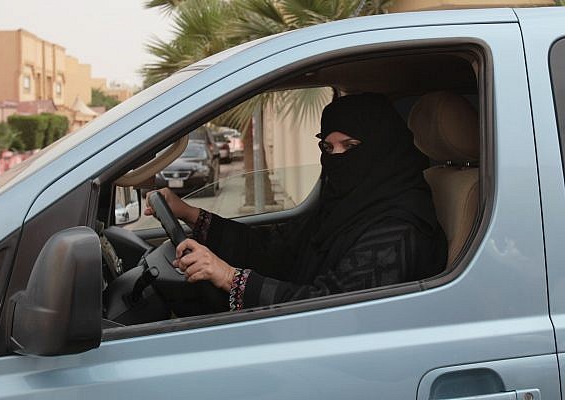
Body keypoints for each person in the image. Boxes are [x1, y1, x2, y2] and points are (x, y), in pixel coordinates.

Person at [145, 93, 447, 312]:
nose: (337, 158)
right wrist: (189, 213)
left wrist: (228, 277)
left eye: (351, 146)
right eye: (328, 147)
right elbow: (280, 247)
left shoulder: (398, 228)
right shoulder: (343, 206)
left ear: (384, 148)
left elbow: (332, 308)